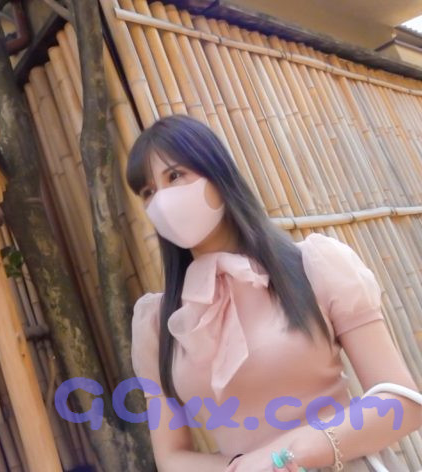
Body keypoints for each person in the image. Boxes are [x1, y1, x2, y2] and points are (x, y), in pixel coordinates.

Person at [126, 114, 421, 471]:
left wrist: (298, 451)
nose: (161, 200)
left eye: (174, 176)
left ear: (217, 172)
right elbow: (171, 457)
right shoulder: (157, 324)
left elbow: (402, 403)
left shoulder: (316, 266)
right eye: (148, 192)